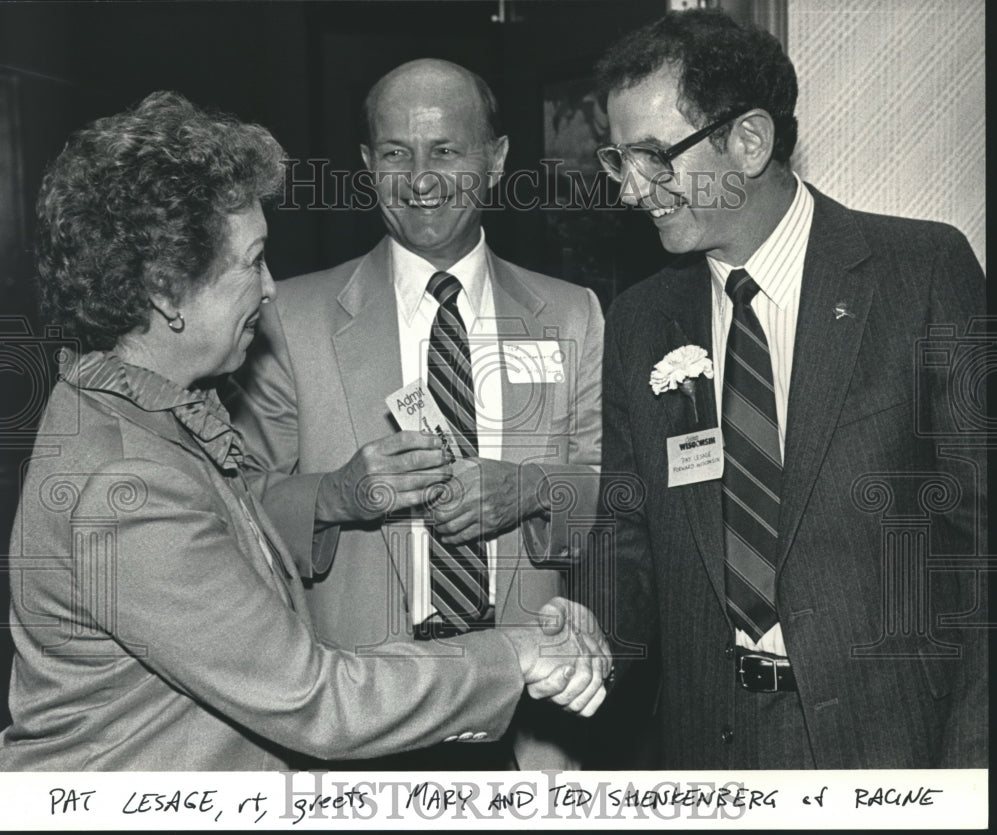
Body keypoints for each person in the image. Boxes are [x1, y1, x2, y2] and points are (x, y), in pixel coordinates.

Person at [0, 91, 610, 771]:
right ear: (168, 289)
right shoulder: (127, 479)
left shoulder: (145, 419)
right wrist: (516, 651)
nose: (268, 288)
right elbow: (314, 697)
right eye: (252, 261)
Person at [587, 9, 987, 769]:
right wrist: (586, 632)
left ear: (750, 141)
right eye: (619, 160)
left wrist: (971, 769)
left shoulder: (922, 273)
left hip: (899, 749)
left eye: (654, 157)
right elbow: (627, 539)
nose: (633, 192)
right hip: (712, 750)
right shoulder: (641, 320)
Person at [228, 59, 604, 770]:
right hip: (359, 711)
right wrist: (334, 496)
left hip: (529, 712)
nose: (420, 179)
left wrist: (530, 488)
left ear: (495, 160)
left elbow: (611, 493)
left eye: (446, 151)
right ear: (368, 165)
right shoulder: (290, 318)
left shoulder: (572, 313)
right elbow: (235, 512)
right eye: (396, 154)